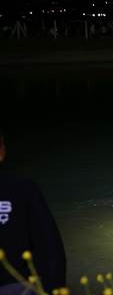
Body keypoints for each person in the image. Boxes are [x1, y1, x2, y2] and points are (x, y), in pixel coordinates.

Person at [0, 126, 67, 294]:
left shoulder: (24, 188)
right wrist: (55, 288)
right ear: (2, 152)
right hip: (18, 285)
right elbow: (51, 246)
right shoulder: (23, 188)